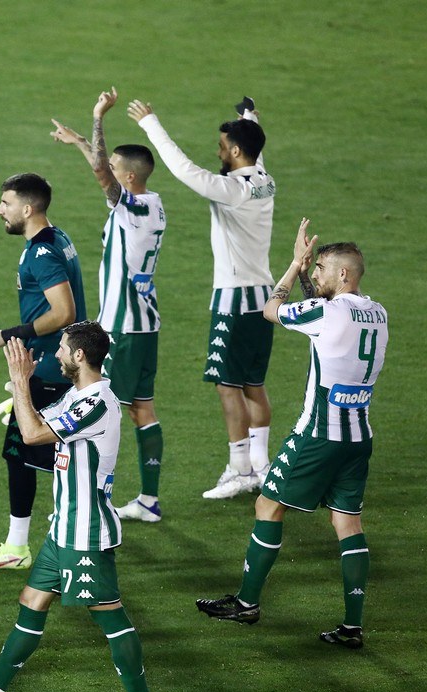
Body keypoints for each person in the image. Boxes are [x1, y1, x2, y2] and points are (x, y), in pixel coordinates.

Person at [0, 323, 161, 692]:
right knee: (32, 601)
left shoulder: (96, 403)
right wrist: (22, 388)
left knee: (110, 616)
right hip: (63, 530)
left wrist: (19, 380)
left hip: (85, 533)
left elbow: (31, 434)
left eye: (61, 348)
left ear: (79, 355)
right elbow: (38, 421)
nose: (56, 354)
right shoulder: (76, 396)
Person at [197, 219, 388, 649]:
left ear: (343, 273)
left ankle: (247, 603)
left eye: (321, 268)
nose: (315, 274)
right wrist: (308, 273)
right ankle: (352, 627)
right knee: (347, 521)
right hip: (358, 437)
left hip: (317, 435)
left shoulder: (328, 312)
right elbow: (321, 312)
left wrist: (293, 265)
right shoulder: (377, 312)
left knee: (268, 505)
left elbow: (271, 309)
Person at [129, 95, 275, 499]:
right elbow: (255, 146)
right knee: (254, 384)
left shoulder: (232, 189)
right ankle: (262, 465)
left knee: (228, 386)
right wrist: (248, 116)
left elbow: (183, 169)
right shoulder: (263, 178)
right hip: (263, 298)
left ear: (236, 151)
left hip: (234, 300)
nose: (218, 153)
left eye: (223, 147)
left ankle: (240, 469)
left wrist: (150, 123)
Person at [50, 88, 168, 522]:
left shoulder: (131, 207)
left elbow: (102, 170)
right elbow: (102, 166)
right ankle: (149, 500)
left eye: (118, 169)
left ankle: (97, 503)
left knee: (102, 410)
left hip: (121, 327)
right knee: (143, 409)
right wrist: (80, 141)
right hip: (145, 324)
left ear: (129, 178)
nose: (108, 172)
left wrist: (97, 117)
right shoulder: (151, 205)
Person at [0, 172, 87, 570]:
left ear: (28, 208)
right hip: (56, 365)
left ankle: (19, 548)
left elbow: (64, 312)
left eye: (6, 203)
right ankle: (67, 533)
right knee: (55, 455)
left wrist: (7, 335)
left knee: (23, 454)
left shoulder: (42, 253)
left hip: (51, 370)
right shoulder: (57, 238)